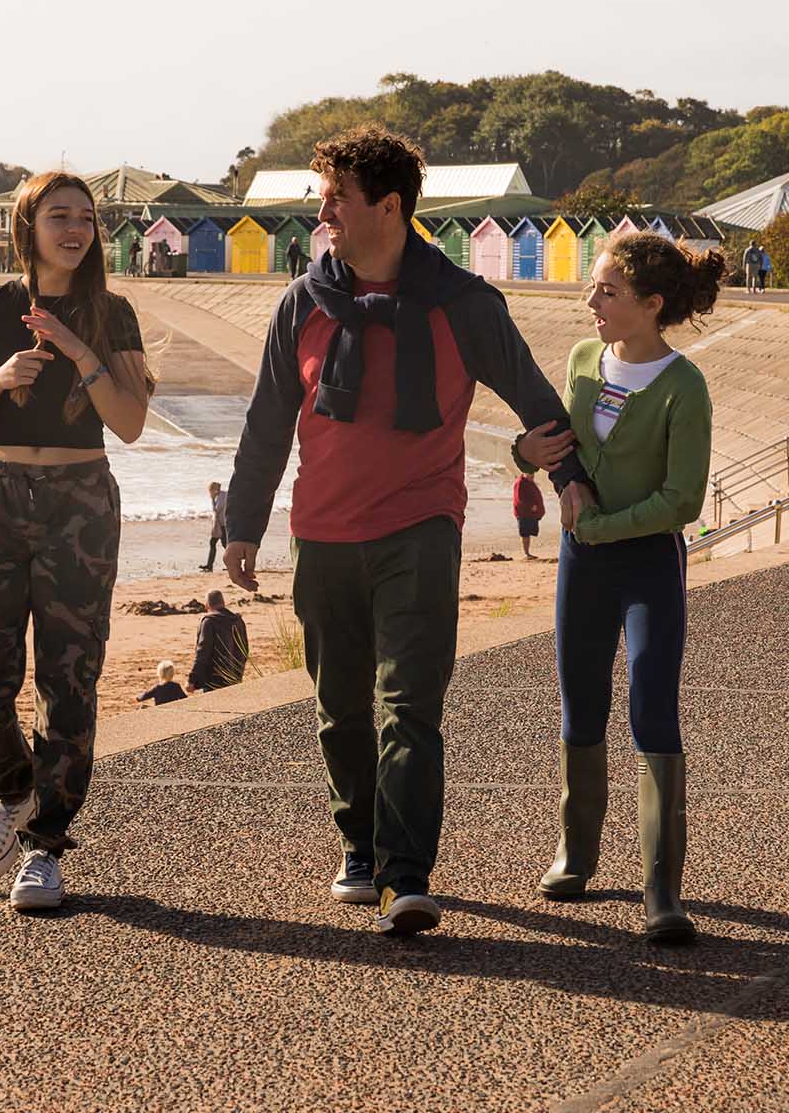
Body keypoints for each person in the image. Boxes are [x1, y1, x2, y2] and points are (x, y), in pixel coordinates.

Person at [223, 124, 592, 937]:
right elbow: (265, 424)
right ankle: (359, 845)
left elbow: (537, 400)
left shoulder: (464, 305)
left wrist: (570, 484)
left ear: (388, 207)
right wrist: (241, 525)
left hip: (420, 529)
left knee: (409, 705)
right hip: (321, 534)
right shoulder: (302, 303)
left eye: (335, 202)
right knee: (339, 706)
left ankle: (405, 876)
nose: (324, 218)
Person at [0, 170, 156, 912]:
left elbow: (129, 422)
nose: (76, 229)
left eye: (87, 219)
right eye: (59, 216)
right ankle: (10, 794)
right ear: (27, 225)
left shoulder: (112, 312)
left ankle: (45, 847)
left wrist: (74, 347)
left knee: (69, 680)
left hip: (80, 502)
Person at [518, 232, 721, 943]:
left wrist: (601, 530)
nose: (591, 301)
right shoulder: (581, 360)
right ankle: (577, 854)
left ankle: (662, 889)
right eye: (594, 288)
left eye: (607, 290)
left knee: (649, 706)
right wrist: (527, 451)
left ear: (651, 304)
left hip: (647, 568)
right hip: (582, 567)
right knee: (580, 704)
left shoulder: (682, 386)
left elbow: (682, 500)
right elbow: (549, 441)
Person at [187, 589, 250, 692]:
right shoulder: (238, 621)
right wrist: (239, 673)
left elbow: (202, 652)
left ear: (207, 605)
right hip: (234, 676)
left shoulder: (209, 622)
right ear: (223, 603)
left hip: (213, 680)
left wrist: (192, 680)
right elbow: (244, 650)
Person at [513, 471, 545, 559]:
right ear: (524, 473)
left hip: (530, 513)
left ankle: (527, 553)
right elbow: (519, 499)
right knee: (525, 533)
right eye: (530, 474)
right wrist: (531, 506)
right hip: (524, 513)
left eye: (533, 474)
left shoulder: (529, 482)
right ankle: (526, 553)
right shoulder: (520, 483)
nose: (532, 476)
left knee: (528, 532)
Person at [199, 480, 227, 571]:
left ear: (214, 490)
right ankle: (209, 565)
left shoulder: (222, 497)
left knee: (225, 544)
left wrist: (212, 499)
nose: (209, 493)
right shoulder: (220, 496)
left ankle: (233, 564)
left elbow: (216, 510)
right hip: (221, 524)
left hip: (224, 524)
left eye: (210, 491)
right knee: (218, 543)